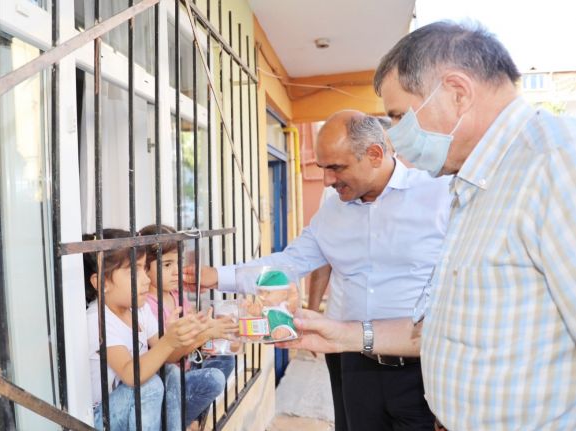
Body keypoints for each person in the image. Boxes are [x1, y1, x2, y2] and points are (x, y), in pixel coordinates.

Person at [294, 20, 576, 430]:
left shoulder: (555, 165)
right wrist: (343, 334)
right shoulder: (477, 182)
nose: (395, 137)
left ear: (457, 93)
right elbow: (445, 327)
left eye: (399, 116)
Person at [185, 111, 452, 430]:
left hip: (424, 369)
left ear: (374, 154)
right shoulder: (332, 211)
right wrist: (216, 276)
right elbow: (290, 263)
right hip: (355, 362)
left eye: (336, 167)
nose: (327, 180)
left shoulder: (439, 194)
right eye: (323, 168)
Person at [83, 229, 207, 431]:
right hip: (101, 418)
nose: (146, 279)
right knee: (150, 386)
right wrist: (168, 341)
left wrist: (186, 335)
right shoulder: (97, 320)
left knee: (170, 372)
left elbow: (168, 356)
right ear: (102, 282)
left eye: (143, 268)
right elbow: (130, 374)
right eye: (134, 271)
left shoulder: (139, 310)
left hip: (132, 406)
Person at [139, 224, 237, 429]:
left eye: (178, 262)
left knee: (226, 359)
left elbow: (195, 331)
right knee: (213, 380)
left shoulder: (176, 294)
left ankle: (190, 421)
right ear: (144, 268)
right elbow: (169, 356)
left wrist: (216, 330)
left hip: (187, 368)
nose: (177, 271)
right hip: (168, 385)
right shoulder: (146, 305)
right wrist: (206, 333)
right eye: (167, 265)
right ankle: (182, 423)